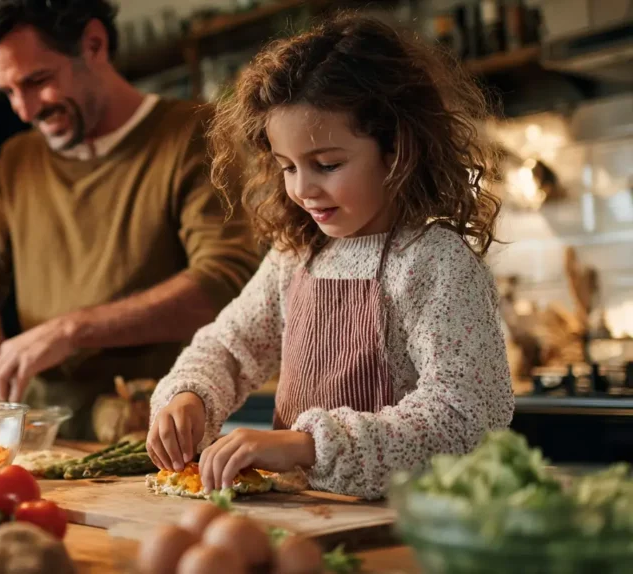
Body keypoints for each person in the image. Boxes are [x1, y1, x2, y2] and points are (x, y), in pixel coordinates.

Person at [147, 14, 514, 499]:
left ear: (397, 149)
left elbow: (464, 416)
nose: (303, 189)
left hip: (403, 528)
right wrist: (189, 395)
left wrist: (306, 446)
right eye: (286, 167)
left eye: (327, 164)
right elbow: (229, 348)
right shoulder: (296, 256)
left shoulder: (435, 263)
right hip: (303, 518)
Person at [0, 0, 261, 439]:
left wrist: (71, 331)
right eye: (9, 91)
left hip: (157, 435)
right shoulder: (18, 161)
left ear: (94, 44)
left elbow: (224, 284)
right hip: (42, 438)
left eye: (38, 80)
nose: (24, 109)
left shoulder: (194, 134)